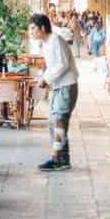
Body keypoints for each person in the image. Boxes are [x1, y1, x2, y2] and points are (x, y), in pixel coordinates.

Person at [29, 13, 79, 171]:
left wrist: (46, 79)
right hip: (58, 86)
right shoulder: (45, 43)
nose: (30, 32)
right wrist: (43, 77)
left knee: (59, 120)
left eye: (33, 28)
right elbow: (52, 66)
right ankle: (61, 157)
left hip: (66, 85)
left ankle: (58, 158)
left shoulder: (55, 40)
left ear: (42, 28)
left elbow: (62, 65)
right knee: (53, 121)